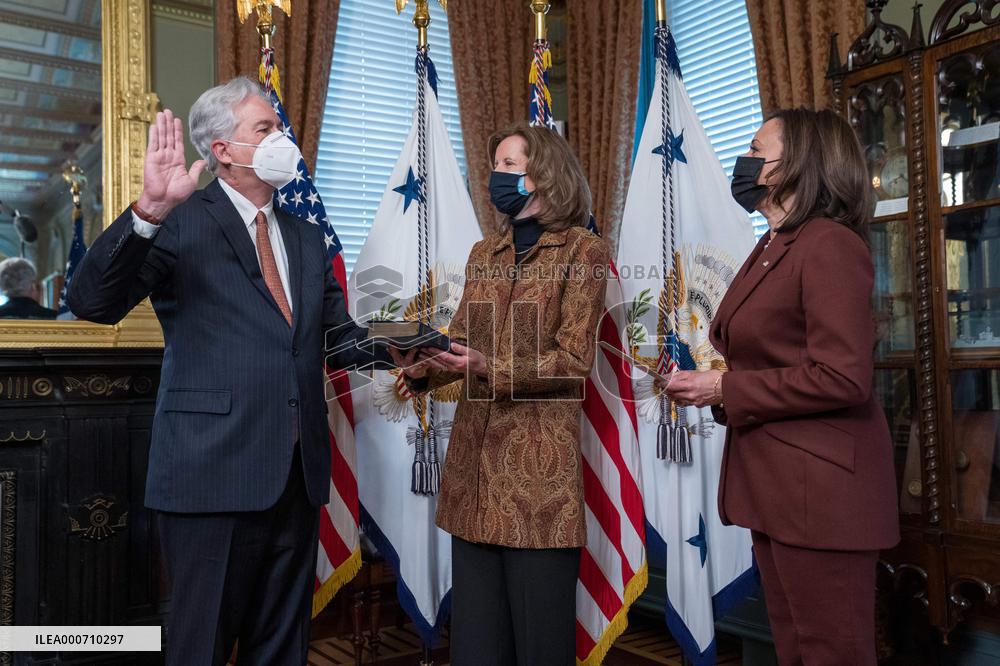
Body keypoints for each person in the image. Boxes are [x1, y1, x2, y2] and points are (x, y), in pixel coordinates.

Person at [67, 77, 391, 665]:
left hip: (296, 477)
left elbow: (337, 339)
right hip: (210, 476)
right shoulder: (180, 221)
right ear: (222, 150)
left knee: (282, 648)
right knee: (202, 646)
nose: (281, 138)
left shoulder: (306, 235)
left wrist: (415, 352)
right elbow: (91, 302)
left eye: (279, 128)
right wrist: (147, 213)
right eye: (265, 129)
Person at [663, 108, 899, 666]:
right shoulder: (776, 242)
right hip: (778, 486)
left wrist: (724, 390)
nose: (743, 160)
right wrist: (711, 383)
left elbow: (842, 376)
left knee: (829, 652)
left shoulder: (829, 245)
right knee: (794, 648)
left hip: (821, 492)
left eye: (755, 148)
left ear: (797, 164)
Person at [391, 123, 610, 666]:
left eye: (511, 163)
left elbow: (574, 361)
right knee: (477, 648)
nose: (498, 175)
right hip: (473, 479)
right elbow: (462, 343)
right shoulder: (484, 252)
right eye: (496, 165)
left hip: (538, 483)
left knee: (540, 646)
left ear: (546, 173)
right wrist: (422, 368)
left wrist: (491, 365)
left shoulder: (583, 250)